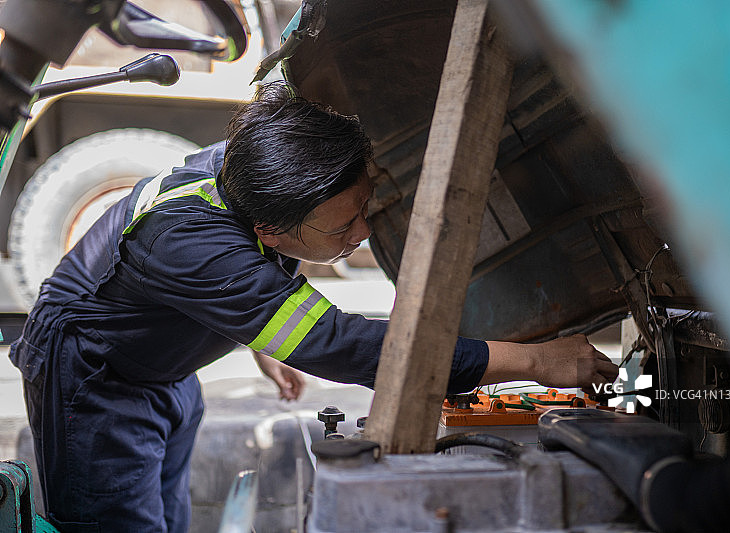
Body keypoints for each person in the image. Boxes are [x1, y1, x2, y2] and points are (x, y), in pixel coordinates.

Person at [9, 81, 618, 532]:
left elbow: (241, 285)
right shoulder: (189, 242)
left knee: (164, 515)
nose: (360, 233)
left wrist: (256, 336)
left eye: (362, 208)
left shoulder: (261, 170)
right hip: (93, 380)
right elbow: (338, 344)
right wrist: (536, 362)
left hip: (163, 364)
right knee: (115, 524)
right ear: (272, 231)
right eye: (344, 225)